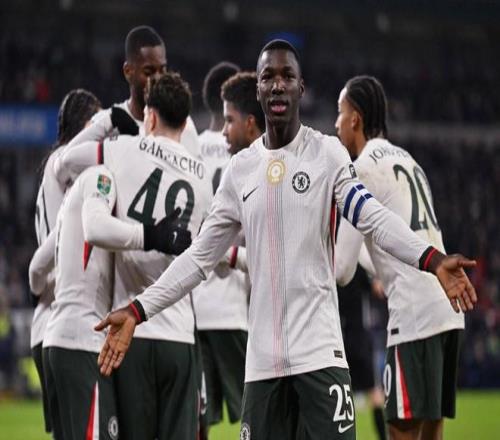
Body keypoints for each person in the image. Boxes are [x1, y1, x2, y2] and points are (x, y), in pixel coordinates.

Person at [95, 40, 477, 440]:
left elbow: (373, 217)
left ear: (300, 87)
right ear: (259, 89)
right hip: (263, 369)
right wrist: (137, 310)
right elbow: (197, 259)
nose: (278, 84)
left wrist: (432, 259)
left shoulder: (327, 154)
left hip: (321, 359)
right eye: (268, 77)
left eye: (287, 76)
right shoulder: (241, 171)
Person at [54, 72, 212, 440]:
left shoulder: (121, 150)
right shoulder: (204, 177)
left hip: (129, 329)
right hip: (180, 335)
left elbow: (65, 162)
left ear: (150, 116)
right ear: (185, 123)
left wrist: (109, 119)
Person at [334, 75, 467, 440]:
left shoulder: (361, 170)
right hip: (447, 310)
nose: (336, 122)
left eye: (340, 112)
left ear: (355, 118)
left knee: (401, 433)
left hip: (414, 315)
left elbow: (341, 269)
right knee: (431, 432)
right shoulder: (409, 160)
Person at [193, 70, 265, 434]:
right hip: (233, 306)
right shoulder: (250, 153)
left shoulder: (189, 148)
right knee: (257, 411)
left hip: (193, 305)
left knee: (196, 416)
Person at [30, 88, 101, 434]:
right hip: (67, 317)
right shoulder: (68, 166)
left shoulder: (52, 168)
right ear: (82, 125)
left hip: (47, 324)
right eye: (94, 123)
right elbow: (61, 239)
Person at [66, 25, 201, 159]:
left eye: (162, 70)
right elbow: (65, 161)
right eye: (148, 72)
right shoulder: (105, 124)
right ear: (128, 71)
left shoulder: (180, 123)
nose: (158, 78)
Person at [337, 266, 387, 440]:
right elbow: (377, 289)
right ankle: (383, 437)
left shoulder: (330, 266)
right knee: (375, 393)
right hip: (359, 339)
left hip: (338, 340)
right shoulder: (356, 266)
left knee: (337, 394)